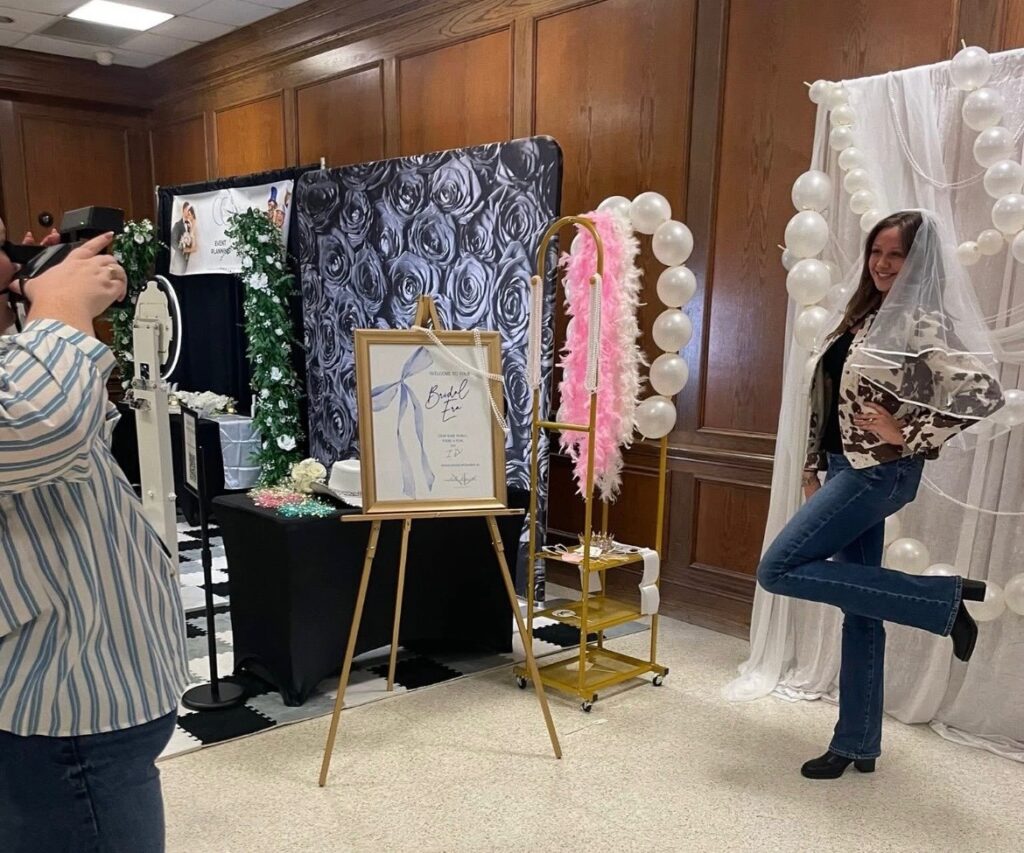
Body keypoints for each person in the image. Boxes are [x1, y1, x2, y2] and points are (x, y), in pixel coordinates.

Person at [756, 210, 1005, 780]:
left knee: (777, 569)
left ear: (918, 262)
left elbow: (984, 393)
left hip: (876, 474)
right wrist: (812, 468)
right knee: (861, 609)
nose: (882, 264)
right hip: (844, 469)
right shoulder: (863, 315)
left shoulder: (919, 322)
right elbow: (824, 398)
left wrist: (908, 433)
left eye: (896, 254)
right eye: (876, 252)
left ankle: (940, 601)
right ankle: (858, 743)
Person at [0, 221, 189, 851]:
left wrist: (39, 316)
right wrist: (59, 308)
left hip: (82, 694)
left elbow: (73, 436)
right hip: (57, 711)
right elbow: (41, 427)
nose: (15, 262)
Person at [170, 201, 197, 275]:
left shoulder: (191, 224)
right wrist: (182, 249)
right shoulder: (177, 225)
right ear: (183, 210)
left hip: (190, 259)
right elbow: (173, 242)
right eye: (186, 210)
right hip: (179, 259)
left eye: (189, 211)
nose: (187, 213)